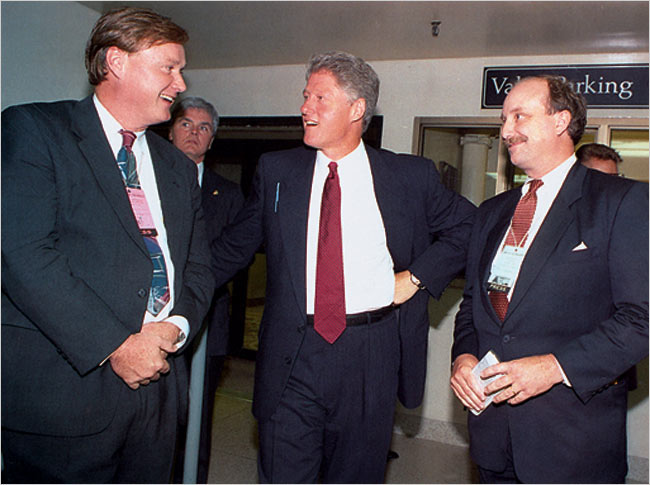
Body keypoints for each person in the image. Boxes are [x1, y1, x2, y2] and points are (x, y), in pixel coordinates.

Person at [210, 51, 476, 483]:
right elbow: (231, 249)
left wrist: (416, 278)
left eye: (320, 97)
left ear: (357, 109)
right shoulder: (277, 171)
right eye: (305, 95)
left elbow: (470, 227)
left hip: (370, 353)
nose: (305, 107)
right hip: (292, 352)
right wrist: (171, 299)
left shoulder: (409, 177)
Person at [1, 7, 214, 483]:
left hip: (158, 392)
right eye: (169, 67)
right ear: (116, 62)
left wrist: (174, 327)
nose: (180, 84)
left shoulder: (177, 167)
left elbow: (199, 266)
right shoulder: (35, 131)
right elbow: (23, 254)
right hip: (64, 396)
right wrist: (116, 345)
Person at [450, 75, 648, 483]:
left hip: (571, 446)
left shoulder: (621, 201)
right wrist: (464, 356)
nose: (506, 131)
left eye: (519, 116)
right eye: (504, 119)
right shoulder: (491, 213)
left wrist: (556, 367)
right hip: (492, 438)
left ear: (561, 121)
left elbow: (641, 318)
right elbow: (473, 305)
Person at [168, 96, 244, 483]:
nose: (194, 134)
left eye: (203, 128)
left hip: (207, 324)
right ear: (170, 129)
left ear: (212, 140)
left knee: (197, 416)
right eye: (186, 124)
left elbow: (233, 254)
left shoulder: (229, 195)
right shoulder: (142, 182)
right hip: (146, 324)